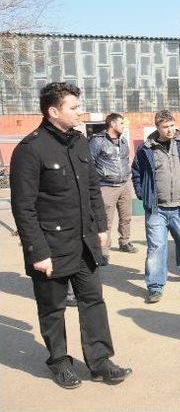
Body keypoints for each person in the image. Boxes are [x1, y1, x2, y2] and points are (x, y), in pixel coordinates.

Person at [10, 82, 132, 389]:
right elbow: (23, 208)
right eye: (74, 107)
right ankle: (60, 362)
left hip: (84, 243)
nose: (81, 111)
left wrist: (101, 227)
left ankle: (100, 361)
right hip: (50, 246)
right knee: (53, 308)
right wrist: (37, 252)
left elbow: (92, 188)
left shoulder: (79, 142)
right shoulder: (30, 149)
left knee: (93, 301)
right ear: (53, 111)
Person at [131, 110, 180, 303]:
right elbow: (136, 173)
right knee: (156, 247)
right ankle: (155, 286)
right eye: (166, 127)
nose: (170, 130)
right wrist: (142, 193)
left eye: (172, 125)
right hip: (157, 209)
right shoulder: (146, 149)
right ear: (157, 127)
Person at [88, 113, 137, 263]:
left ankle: (124, 242)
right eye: (121, 123)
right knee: (105, 220)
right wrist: (98, 180)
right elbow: (90, 163)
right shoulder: (97, 141)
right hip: (106, 187)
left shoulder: (122, 142)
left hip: (124, 185)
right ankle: (103, 251)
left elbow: (125, 160)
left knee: (126, 217)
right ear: (112, 124)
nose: (123, 126)